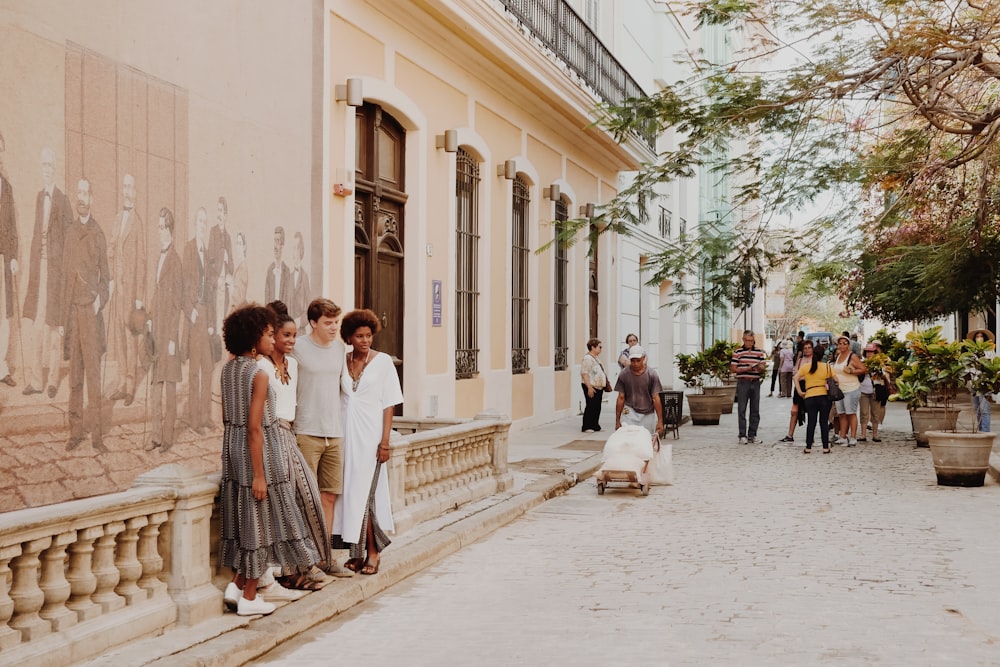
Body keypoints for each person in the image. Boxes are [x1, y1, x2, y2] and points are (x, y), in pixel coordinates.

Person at [218, 304, 322, 617]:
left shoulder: (230, 369)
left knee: (245, 522)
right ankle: (250, 596)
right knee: (259, 527)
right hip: (260, 453)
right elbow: (254, 428)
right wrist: (260, 475)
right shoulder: (259, 372)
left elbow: (232, 421)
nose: (271, 338)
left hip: (234, 450)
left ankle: (236, 587)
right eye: (266, 333)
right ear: (253, 339)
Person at [257, 301, 334, 589]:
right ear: (272, 336)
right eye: (285, 335)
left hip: (289, 434)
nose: (291, 341)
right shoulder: (260, 366)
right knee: (286, 502)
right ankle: (294, 571)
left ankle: (311, 562)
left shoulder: (295, 365)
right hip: (271, 435)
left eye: (293, 336)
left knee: (309, 496)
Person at [337, 309, 403, 576]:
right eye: (359, 336)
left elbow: (389, 404)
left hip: (371, 437)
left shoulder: (384, 362)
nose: (365, 340)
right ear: (349, 337)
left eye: (368, 335)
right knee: (349, 495)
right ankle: (357, 553)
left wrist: (384, 441)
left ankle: (373, 553)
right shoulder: (342, 361)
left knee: (368, 495)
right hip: (344, 437)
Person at [292, 298, 349, 564]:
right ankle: (306, 559)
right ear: (313, 323)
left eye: (336, 322)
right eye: (328, 323)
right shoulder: (298, 348)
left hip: (334, 432)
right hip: (306, 431)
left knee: (329, 496)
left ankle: (324, 557)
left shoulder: (339, 349)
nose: (333, 327)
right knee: (306, 499)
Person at [61, 177, 110, 453]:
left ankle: (97, 436)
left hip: (90, 314)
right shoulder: (69, 233)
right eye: (78, 193)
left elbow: (106, 279)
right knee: (75, 376)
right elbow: (63, 277)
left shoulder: (98, 234)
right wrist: (61, 320)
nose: (81, 198)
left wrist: (98, 303)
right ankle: (75, 432)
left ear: (91, 198)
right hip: (72, 315)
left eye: (85, 193)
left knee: (93, 375)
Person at [22, 147, 71, 397]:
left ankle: (52, 380)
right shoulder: (40, 197)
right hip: (39, 271)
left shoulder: (62, 200)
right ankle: (35, 380)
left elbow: (69, 239)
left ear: (55, 169)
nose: (47, 169)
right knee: (38, 326)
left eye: (50, 165)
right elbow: (35, 234)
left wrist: (63, 270)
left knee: (54, 327)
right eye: (44, 165)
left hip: (56, 273)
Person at [105, 173, 146, 406]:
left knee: (131, 338)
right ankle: (121, 381)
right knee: (119, 336)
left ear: (135, 193)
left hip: (131, 290)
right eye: (125, 186)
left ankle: (130, 384)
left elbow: (141, 260)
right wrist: (111, 277)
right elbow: (112, 248)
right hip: (118, 288)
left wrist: (139, 295)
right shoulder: (117, 218)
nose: (127, 191)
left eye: (131, 187)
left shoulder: (137, 222)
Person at [147, 208, 183, 452]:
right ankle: (155, 436)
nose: (160, 232)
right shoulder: (158, 257)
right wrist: (149, 318)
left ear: (170, 230)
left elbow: (176, 303)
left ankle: (167, 439)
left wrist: (172, 338)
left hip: (168, 334)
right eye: (158, 227)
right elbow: (157, 293)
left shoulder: (175, 261)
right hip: (156, 330)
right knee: (155, 386)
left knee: (169, 387)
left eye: (163, 227)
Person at [182, 207, 215, 434]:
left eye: (205, 222)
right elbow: (184, 286)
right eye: (199, 222)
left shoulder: (209, 252)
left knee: (208, 366)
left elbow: (211, 290)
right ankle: (194, 420)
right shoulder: (189, 249)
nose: (202, 226)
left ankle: (204, 417)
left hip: (206, 316)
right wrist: (190, 309)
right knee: (194, 369)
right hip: (194, 316)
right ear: (195, 225)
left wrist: (211, 320)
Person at [0, 131, 19, 388]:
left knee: (3, 315)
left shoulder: (6, 188)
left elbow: (12, 227)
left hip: (2, 259)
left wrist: (13, 257)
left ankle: (1, 367)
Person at [613, 345, 664, 437]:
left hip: (647, 412)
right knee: (628, 438)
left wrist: (660, 421)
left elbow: (656, 398)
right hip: (629, 411)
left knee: (646, 439)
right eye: (633, 361)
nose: (635, 364)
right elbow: (621, 397)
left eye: (638, 360)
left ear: (643, 358)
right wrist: (617, 420)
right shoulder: (624, 374)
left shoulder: (651, 374)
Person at [793, 339, 833, 453]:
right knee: (823, 422)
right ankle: (825, 447)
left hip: (809, 396)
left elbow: (795, 378)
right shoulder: (827, 367)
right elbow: (836, 380)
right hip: (823, 396)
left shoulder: (806, 367)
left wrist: (800, 391)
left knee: (811, 422)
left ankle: (808, 447)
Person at [730, 330, 767, 445]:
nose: (749, 343)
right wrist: (746, 369)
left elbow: (763, 366)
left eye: (751, 341)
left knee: (755, 409)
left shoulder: (759, 353)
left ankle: (752, 434)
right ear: (743, 339)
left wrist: (759, 368)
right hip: (743, 382)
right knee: (742, 409)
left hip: (755, 382)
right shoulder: (738, 352)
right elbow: (733, 368)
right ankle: (742, 435)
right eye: (747, 340)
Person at [831, 334, 866, 446]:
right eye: (840, 343)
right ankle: (843, 436)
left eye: (844, 343)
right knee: (842, 413)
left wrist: (851, 371)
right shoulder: (838, 356)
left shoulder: (852, 356)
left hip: (851, 388)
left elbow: (863, 369)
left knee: (851, 413)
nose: (842, 346)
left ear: (848, 345)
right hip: (839, 389)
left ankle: (853, 437)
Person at [780, 339, 813, 443]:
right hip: (800, 386)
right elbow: (796, 374)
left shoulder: (816, 360)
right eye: (805, 348)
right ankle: (790, 435)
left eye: (809, 348)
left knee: (812, 412)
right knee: (794, 411)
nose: (807, 350)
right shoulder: (799, 361)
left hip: (811, 386)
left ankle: (810, 436)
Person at [968, 329, 995, 433]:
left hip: (985, 384)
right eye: (977, 336)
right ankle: (980, 431)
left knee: (985, 409)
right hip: (974, 383)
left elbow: (992, 366)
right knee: (977, 409)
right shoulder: (972, 352)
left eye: (981, 336)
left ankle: (985, 432)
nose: (979, 338)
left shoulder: (990, 351)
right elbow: (969, 367)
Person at [580, 338, 607, 433]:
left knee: (597, 407)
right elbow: (585, 373)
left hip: (598, 387)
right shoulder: (587, 358)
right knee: (591, 406)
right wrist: (589, 387)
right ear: (593, 347)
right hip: (591, 386)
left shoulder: (595, 358)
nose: (601, 349)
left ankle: (595, 425)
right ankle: (587, 426)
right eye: (599, 347)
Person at [288, 231, 310, 330]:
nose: (294, 252)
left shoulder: (305, 277)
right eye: (292, 248)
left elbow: (309, 308)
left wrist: (299, 321)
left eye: (296, 248)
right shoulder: (289, 277)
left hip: (300, 331)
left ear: (301, 251)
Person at [264, 226, 290, 304]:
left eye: (278, 241)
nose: (275, 246)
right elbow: (266, 298)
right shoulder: (270, 270)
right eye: (274, 241)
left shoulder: (286, 271)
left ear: (282, 245)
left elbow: (287, 299)